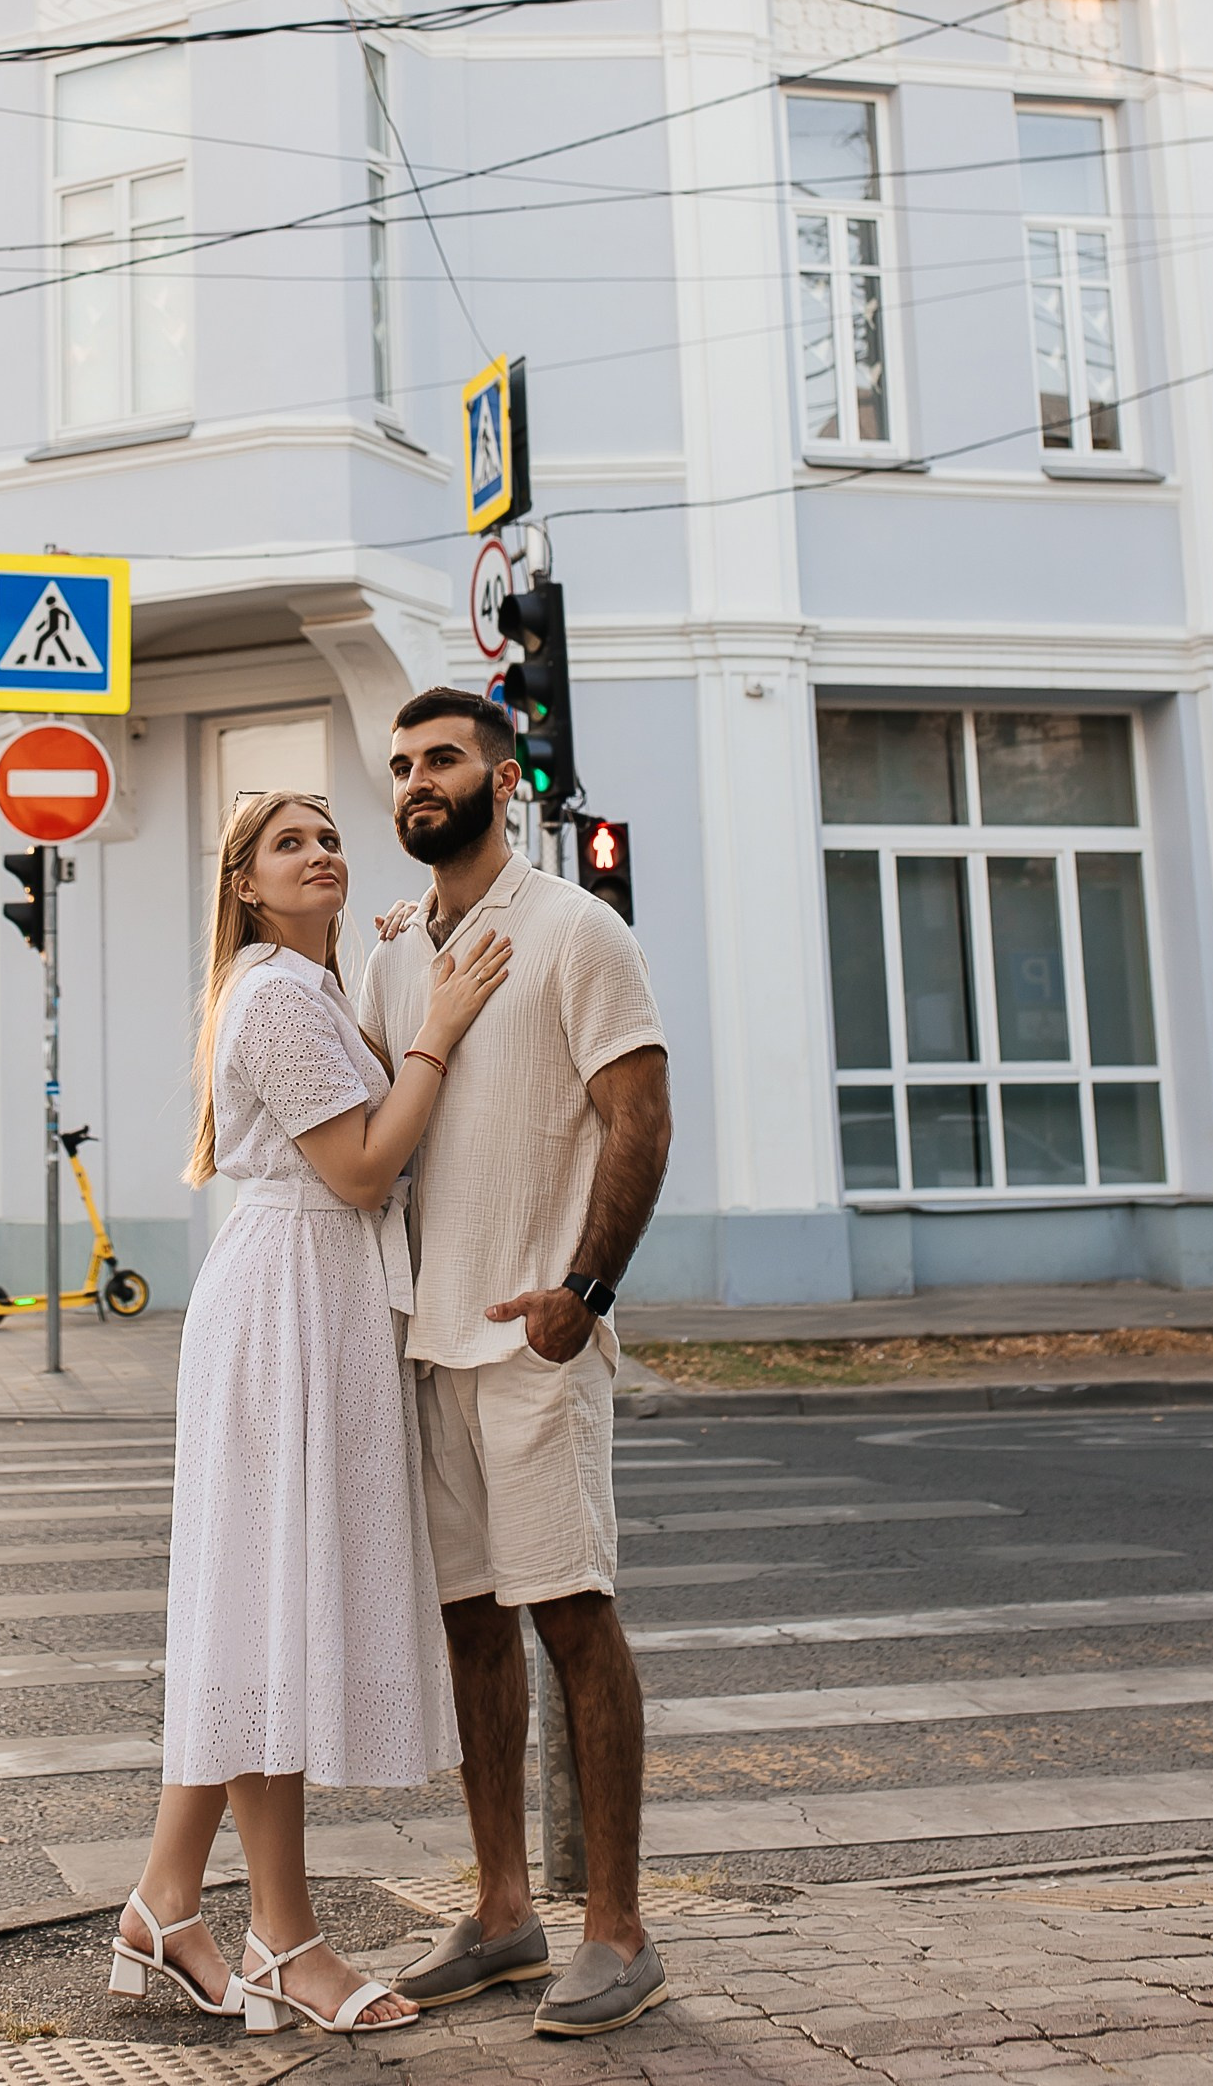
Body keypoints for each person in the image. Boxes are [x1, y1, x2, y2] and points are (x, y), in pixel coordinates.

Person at [110, 787, 510, 2037]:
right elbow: (355, 1167)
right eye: (289, 843)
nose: (321, 852)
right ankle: (285, 1941)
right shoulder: (277, 997)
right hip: (288, 1302)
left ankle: (165, 1904)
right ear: (244, 886)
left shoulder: (314, 989)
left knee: (250, 1607)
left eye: (330, 836)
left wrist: (401, 970)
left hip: (312, 1302)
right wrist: (438, 1027)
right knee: (269, 1614)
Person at [359, 689, 674, 2041]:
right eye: (400, 767)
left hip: (538, 1349)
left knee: (572, 1617)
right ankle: (501, 1912)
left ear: (501, 779)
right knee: (471, 1629)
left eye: (440, 761)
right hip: (432, 1348)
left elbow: (640, 1120)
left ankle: (617, 1930)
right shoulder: (393, 957)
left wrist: (583, 1295)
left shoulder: (577, 933)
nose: (416, 783)